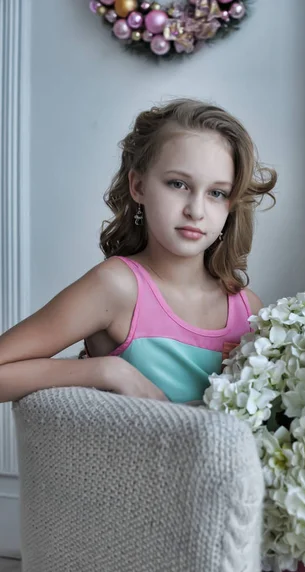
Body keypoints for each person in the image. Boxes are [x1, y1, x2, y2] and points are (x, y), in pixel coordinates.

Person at [0, 98, 277, 404]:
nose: (196, 210)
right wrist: (105, 370)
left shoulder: (249, 309)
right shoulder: (115, 288)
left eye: (216, 193)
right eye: (178, 184)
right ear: (139, 186)